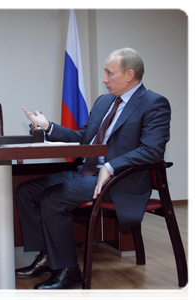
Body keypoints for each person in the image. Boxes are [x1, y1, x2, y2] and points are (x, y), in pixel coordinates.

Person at [15, 47, 171, 295]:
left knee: (53, 197)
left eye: (109, 73)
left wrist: (110, 166)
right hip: (87, 172)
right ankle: (47, 257)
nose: (104, 79)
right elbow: (84, 138)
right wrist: (48, 127)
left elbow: (153, 150)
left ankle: (68, 271)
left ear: (130, 74)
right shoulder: (104, 101)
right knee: (26, 191)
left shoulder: (154, 103)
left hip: (119, 180)